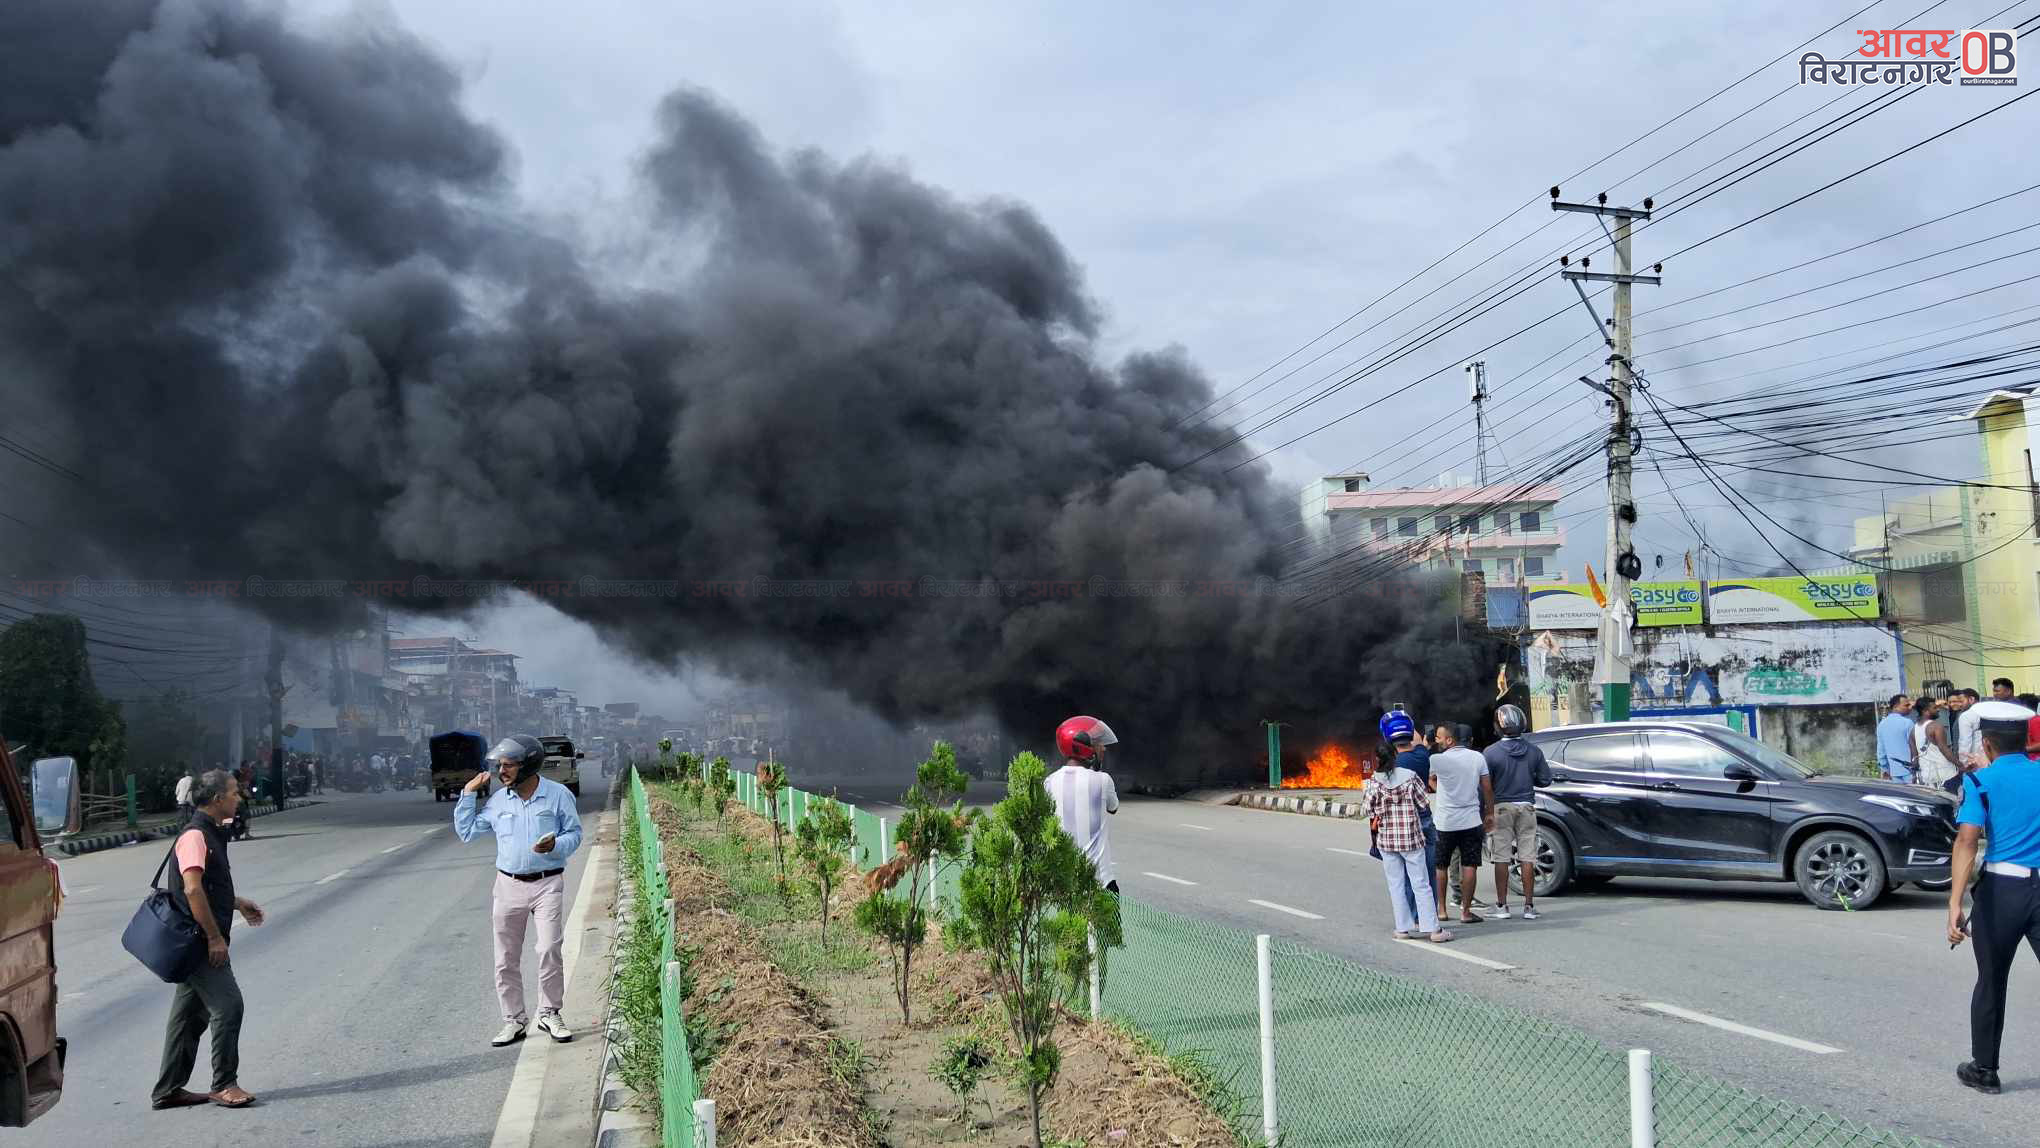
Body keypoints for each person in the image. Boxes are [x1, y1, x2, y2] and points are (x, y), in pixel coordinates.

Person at [455, 734, 584, 1047]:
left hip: (547, 883)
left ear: (528, 766)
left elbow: (575, 834)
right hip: (508, 885)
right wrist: (467, 795)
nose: (502, 771)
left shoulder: (557, 795)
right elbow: (468, 832)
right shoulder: (498, 801)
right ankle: (513, 1020)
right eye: (500, 765)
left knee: (549, 948)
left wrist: (557, 845)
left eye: (509, 765)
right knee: (505, 958)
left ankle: (549, 1013)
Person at [150, 769, 265, 1111]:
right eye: (234, 793)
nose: (238, 798)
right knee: (229, 1006)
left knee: (188, 1017)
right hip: (198, 940)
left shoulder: (212, 832)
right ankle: (224, 1083)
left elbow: (208, 887)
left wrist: (237, 902)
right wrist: (214, 938)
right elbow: (191, 888)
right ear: (217, 799)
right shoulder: (196, 835)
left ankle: (168, 1088)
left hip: (199, 936)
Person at [1945, 700, 2040, 1095]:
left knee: (1991, 981)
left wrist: (1955, 904)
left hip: (2002, 893)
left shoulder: (1979, 782)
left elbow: (1967, 840)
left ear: (1987, 744)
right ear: (2026, 741)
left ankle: (1985, 1070)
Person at [1365, 749, 1451, 943]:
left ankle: (1403, 928)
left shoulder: (1373, 782)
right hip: (1411, 839)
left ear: (1377, 759)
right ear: (1394, 757)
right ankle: (1433, 930)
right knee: (1421, 884)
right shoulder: (1410, 777)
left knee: (1396, 885)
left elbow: (1368, 809)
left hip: (1387, 841)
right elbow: (1423, 803)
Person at [1484, 704, 1551, 920]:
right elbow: (1545, 780)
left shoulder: (1491, 752)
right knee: (1528, 857)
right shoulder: (1534, 751)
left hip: (1501, 808)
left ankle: (1502, 906)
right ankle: (1529, 907)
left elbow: (1484, 785)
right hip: (1527, 808)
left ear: (1498, 726)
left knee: (1501, 857)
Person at [1045, 716, 1121, 894]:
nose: (1103, 748)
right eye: (1098, 743)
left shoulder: (1049, 782)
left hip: (1067, 883)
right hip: (1101, 882)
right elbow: (1113, 807)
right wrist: (1096, 767)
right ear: (1083, 746)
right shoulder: (1103, 780)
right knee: (1108, 922)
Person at [1428, 723, 1494, 925]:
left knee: (1441, 866)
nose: (1438, 741)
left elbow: (1430, 780)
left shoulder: (1437, 759)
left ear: (1450, 740)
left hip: (1445, 822)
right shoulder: (1478, 758)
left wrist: (1444, 791)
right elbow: (1487, 787)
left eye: (1441, 738)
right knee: (1470, 865)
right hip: (1471, 820)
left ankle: (1441, 910)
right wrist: (1490, 813)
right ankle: (1466, 912)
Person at [1380, 707, 1438, 924]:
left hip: (1402, 825)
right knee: (1427, 873)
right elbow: (1418, 740)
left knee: (1405, 876)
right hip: (1425, 818)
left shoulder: (1392, 767)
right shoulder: (1422, 756)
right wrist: (1405, 720)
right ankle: (1429, 918)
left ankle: (1412, 918)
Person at [1915, 698, 1960, 790]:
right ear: (1925, 711)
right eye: (1935, 708)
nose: (1938, 709)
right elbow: (1944, 749)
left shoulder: (1913, 729)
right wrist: (1960, 765)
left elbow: (1914, 756)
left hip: (1927, 776)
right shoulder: (1936, 726)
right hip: (1946, 774)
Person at [1878, 694, 1917, 783]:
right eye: (1906, 705)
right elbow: (1915, 746)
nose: (1910, 707)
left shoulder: (1882, 725)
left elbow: (1881, 751)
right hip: (1910, 771)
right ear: (1896, 707)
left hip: (1894, 772)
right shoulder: (1908, 723)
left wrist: (1885, 769)